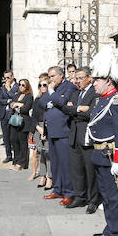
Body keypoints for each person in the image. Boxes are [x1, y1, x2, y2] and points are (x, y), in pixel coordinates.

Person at [86, 46, 118, 236]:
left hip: (111, 155)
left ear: (108, 81)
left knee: (114, 198)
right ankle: (110, 227)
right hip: (99, 154)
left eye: (97, 80)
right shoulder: (102, 100)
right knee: (106, 196)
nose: (93, 83)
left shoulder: (117, 101)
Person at [63, 66, 99, 210]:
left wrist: (76, 109)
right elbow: (66, 108)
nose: (77, 81)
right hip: (75, 135)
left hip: (87, 136)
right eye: (76, 78)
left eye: (80, 78)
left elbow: (92, 112)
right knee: (76, 168)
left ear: (89, 78)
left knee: (90, 170)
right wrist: (79, 108)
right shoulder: (76, 93)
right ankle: (80, 196)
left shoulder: (94, 92)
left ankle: (93, 199)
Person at [42, 66, 79, 205]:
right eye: (49, 76)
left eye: (53, 76)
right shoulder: (54, 90)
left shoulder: (69, 87)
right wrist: (52, 98)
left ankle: (69, 192)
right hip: (51, 130)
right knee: (55, 164)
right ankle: (58, 189)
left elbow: (63, 102)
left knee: (65, 163)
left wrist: (52, 94)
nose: (50, 79)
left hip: (63, 130)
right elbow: (42, 102)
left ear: (61, 75)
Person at [31, 75, 52, 190]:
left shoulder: (52, 98)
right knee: (41, 153)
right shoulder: (37, 99)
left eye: (45, 84)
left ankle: (50, 177)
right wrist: (38, 128)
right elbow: (33, 116)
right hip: (38, 127)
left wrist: (46, 129)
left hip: (49, 127)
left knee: (48, 154)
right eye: (40, 85)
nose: (42, 87)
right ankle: (42, 176)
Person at [8, 79, 34, 170]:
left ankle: (22, 163)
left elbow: (25, 109)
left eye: (23, 85)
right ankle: (15, 161)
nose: (21, 86)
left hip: (24, 122)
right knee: (14, 141)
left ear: (27, 86)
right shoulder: (17, 95)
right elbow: (11, 105)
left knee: (22, 143)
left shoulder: (29, 96)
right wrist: (19, 105)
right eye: (20, 84)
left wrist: (17, 105)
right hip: (14, 122)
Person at [0, 70, 19, 161]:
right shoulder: (3, 87)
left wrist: (9, 89)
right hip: (4, 114)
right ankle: (8, 155)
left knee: (14, 137)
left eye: (8, 78)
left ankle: (17, 155)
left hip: (13, 114)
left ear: (12, 77)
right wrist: (7, 101)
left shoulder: (17, 86)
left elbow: (16, 98)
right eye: (5, 78)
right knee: (5, 137)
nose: (6, 80)